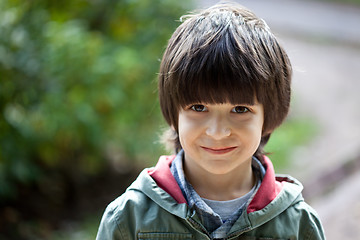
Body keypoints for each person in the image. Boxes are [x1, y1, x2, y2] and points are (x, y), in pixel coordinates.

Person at [96, 2, 325, 239]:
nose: (218, 132)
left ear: (270, 116)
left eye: (239, 109)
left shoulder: (298, 224)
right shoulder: (128, 219)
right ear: (174, 114)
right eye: (198, 107)